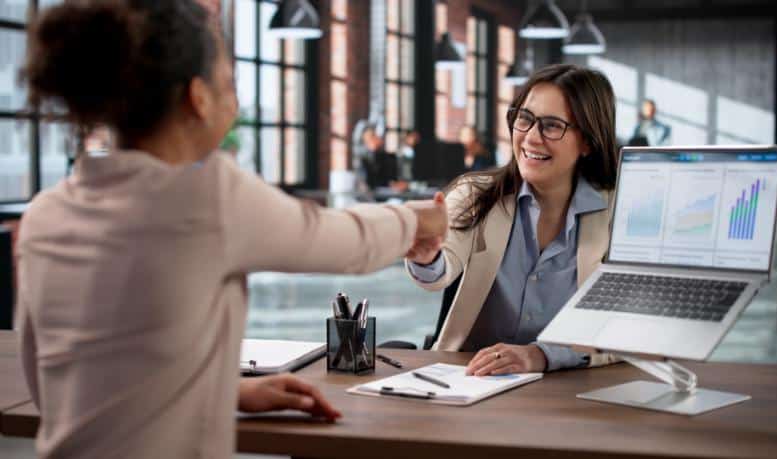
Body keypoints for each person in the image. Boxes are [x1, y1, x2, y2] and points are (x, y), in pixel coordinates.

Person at [15, 1, 447, 457]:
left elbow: (63, 381)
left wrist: (226, 393)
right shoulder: (208, 197)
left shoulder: (45, 213)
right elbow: (345, 242)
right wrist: (418, 219)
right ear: (197, 98)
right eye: (229, 83)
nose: (235, 100)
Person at [405, 64, 621, 376]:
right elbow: (439, 270)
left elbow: (630, 331)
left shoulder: (618, 212)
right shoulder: (474, 195)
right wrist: (428, 257)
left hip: (573, 392)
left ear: (587, 141)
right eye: (525, 119)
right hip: (471, 383)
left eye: (551, 126)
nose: (531, 138)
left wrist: (542, 355)